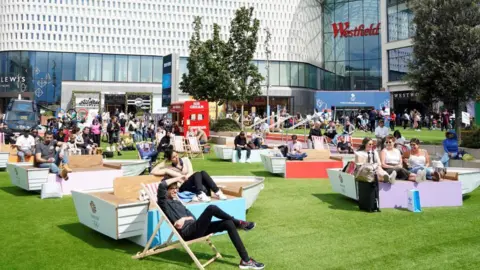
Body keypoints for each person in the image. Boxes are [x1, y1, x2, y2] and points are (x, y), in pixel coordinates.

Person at [156, 177, 264, 269]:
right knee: (211, 208)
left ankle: (245, 260)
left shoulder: (177, 202)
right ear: (166, 191)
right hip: (188, 232)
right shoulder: (164, 203)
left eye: (176, 188)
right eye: (172, 189)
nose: (175, 191)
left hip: (195, 227)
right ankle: (239, 222)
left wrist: (184, 219)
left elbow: (192, 217)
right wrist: (178, 178)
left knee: (228, 223)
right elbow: (161, 185)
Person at [153, 151, 227, 202]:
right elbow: (153, 171)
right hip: (182, 186)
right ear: (170, 159)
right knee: (197, 174)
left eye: (176, 155)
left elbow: (191, 172)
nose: (176, 157)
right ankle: (200, 193)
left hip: (191, 181)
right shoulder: (169, 168)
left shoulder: (186, 160)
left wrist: (186, 176)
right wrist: (163, 162)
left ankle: (217, 192)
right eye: (173, 157)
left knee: (202, 172)